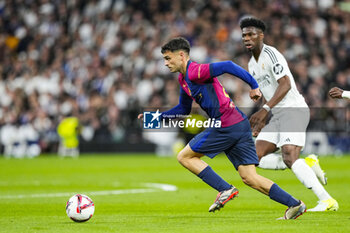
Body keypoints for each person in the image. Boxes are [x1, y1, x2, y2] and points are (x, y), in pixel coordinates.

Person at [138, 37, 306, 219]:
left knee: (184, 156)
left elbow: (227, 65)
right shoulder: (183, 79)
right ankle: (295, 204)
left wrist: (254, 85)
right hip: (238, 123)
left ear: (181, 55)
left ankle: (225, 189)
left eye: (168, 58)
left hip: (226, 123)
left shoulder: (195, 71)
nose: (165, 63)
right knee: (250, 177)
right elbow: (183, 108)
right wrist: (155, 118)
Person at [240, 17, 338, 212]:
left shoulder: (271, 54)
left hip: (293, 109)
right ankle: (308, 163)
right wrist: (260, 101)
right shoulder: (251, 63)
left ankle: (326, 200)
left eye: (251, 34)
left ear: (261, 35)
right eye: (244, 35)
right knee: (254, 157)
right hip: (277, 115)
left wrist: (264, 111)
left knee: (289, 157)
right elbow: (269, 90)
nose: (247, 38)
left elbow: (285, 84)